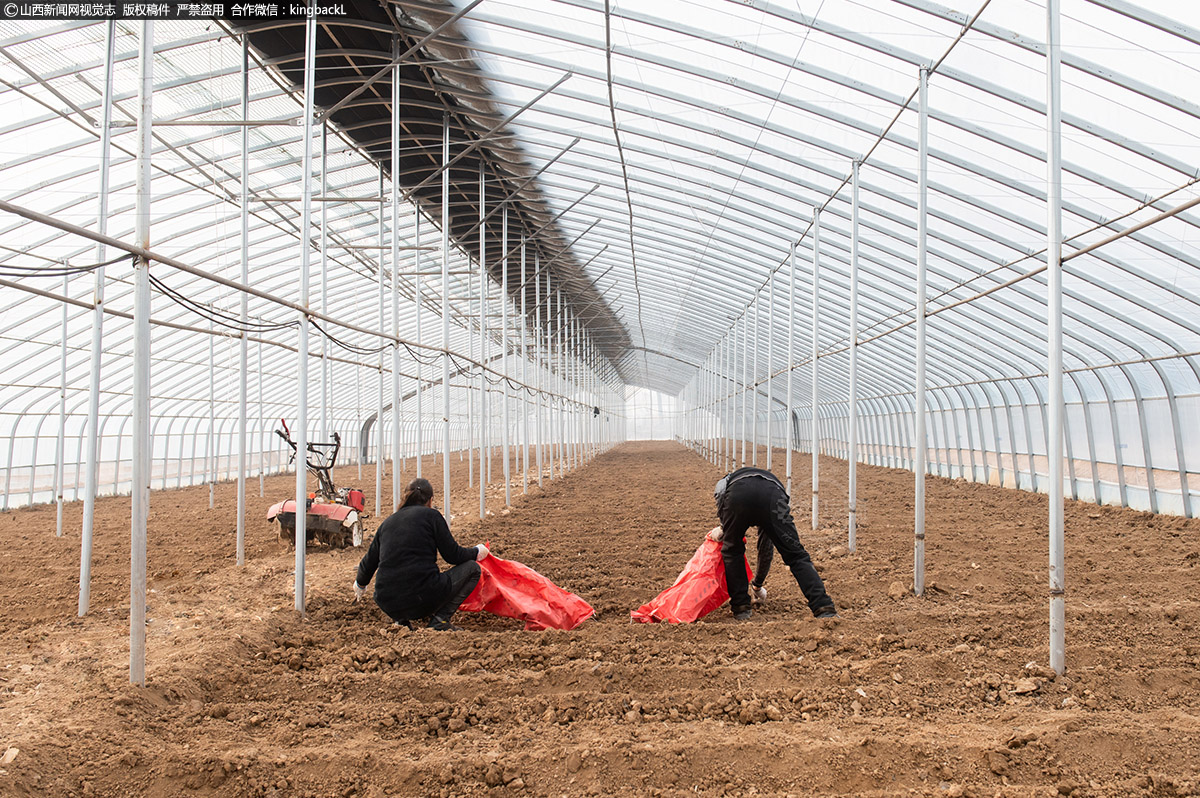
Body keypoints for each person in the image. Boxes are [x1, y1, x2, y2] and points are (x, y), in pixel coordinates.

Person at [352, 477, 489, 631]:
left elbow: (369, 561)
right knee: (472, 569)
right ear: (430, 500)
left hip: (387, 600)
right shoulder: (432, 516)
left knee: (401, 583)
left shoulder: (388, 523)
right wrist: (477, 551)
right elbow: (453, 555)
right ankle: (440, 620)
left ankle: (401, 622)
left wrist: (360, 583)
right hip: (422, 597)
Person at [709, 467, 837, 621]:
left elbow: (721, 498)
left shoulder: (726, 483)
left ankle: (741, 608)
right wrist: (758, 584)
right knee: (796, 555)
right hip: (773, 497)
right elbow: (766, 549)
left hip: (738, 497)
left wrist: (725, 527)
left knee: (732, 551)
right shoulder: (769, 482)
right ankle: (823, 607)